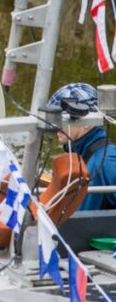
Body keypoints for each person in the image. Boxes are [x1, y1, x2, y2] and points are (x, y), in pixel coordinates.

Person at [47, 83, 116, 211]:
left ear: (88, 123)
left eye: (63, 119)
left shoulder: (108, 160)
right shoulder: (81, 156)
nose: (55, 125)